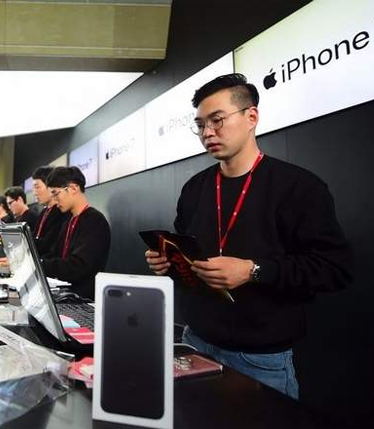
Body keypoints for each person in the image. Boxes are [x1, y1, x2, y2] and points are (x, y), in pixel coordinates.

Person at [144, 73, 352, 399]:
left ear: (251, 117)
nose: (208, 132)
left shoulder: (299, 187)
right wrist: (168, 261)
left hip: (260, 358)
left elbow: (334, 269)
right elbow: (190, 256)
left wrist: (253, 270)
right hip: (195, 343)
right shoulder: (195, 188)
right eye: (200, 125)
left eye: (217, 120)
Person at [41, 166, 111, 299]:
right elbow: (54, 255)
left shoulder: (95, 221)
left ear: (73, 188)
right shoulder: (68, 222)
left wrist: (41, 264)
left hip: (83, 300)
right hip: (65, 296)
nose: (55, 201)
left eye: (56, 194)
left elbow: (77, 267)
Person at [32, 166, 68, 258]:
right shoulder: (43, 212)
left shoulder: (62, 213)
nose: (34, 193)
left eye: (37, 187)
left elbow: (48, 245)